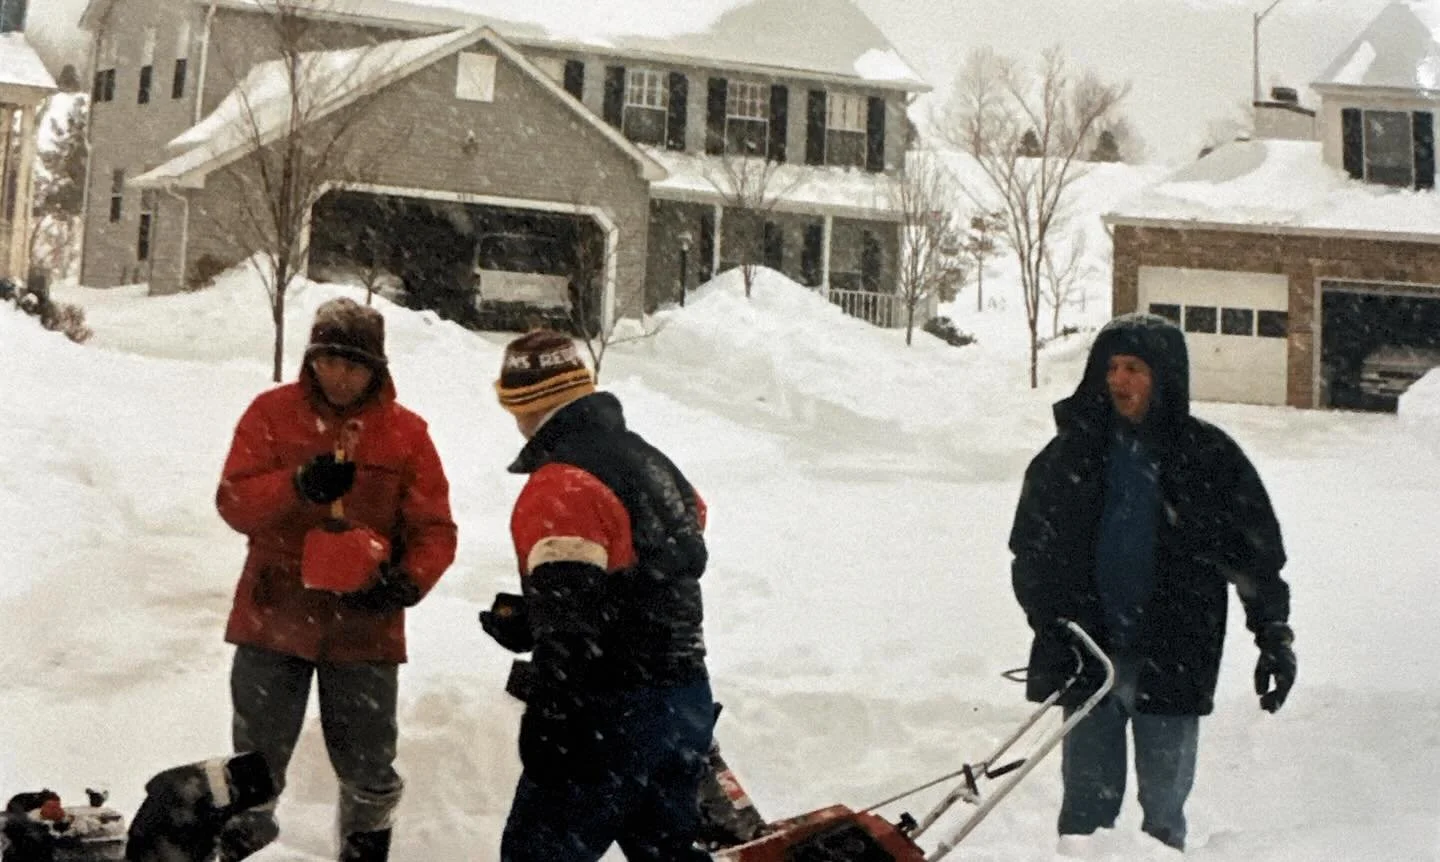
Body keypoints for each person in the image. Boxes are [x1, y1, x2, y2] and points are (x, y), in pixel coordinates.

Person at [1008, 312, 1296, 853]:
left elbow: (1257, 558)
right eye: (1112, 367)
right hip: (1091, 657)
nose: (1119, 381)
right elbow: (1031, 552)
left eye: (1135, 368)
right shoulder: (1071, 455)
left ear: (1164, 375)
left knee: (1162, 818)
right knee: (1084, 819)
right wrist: (1053, 625)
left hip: (1175, 655)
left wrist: (1273, 635)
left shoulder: (1208, 458)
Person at [214, 297, 457, 862]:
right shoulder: (269, 415)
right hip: (273, 615)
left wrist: (407, 582)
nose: (339, 375)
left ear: (377, 369)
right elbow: (233, 502)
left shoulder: (407, 435)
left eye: (353, 364)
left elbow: (435, 529)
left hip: (365, 626)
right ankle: (238, 850)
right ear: (310, 359)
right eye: (328, 361)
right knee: (253, 767)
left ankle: (364, 852)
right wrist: (296, 484)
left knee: (369, 767)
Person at [479, 329, 714, 861]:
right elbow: (655, 570)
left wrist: (551, 721)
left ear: (524, 407)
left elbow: (573, 624)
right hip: (684, 697)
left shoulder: (561, 485)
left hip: (605, 709)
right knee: (668, 855)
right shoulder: (653, 463)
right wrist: (535, 615)